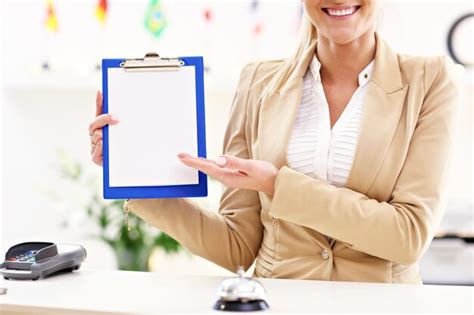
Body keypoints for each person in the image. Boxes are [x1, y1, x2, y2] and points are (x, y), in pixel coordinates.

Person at [88, 0, 459, 283]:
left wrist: (275, 184)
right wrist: (132, 173)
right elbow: (237, 246)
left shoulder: (429, 81)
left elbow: (407, 236)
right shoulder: (259, 83)